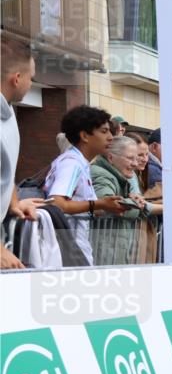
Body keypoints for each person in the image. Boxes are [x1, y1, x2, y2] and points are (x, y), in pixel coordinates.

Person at [45, 106, 127, 264]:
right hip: (67, 253)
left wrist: (111, 205)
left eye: (110, 131)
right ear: (84, 136)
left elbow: (81, 205)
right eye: (104, 131)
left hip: (73, 249)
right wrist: (99, 203)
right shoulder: (72, 164)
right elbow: (56, 203)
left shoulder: (79, 162)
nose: (111, 137)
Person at [1, 37, 36, 269]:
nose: (32, 84)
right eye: (32, 78)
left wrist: (12, 200)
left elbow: (5, 169)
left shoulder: (9, 112)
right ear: (17, 78)